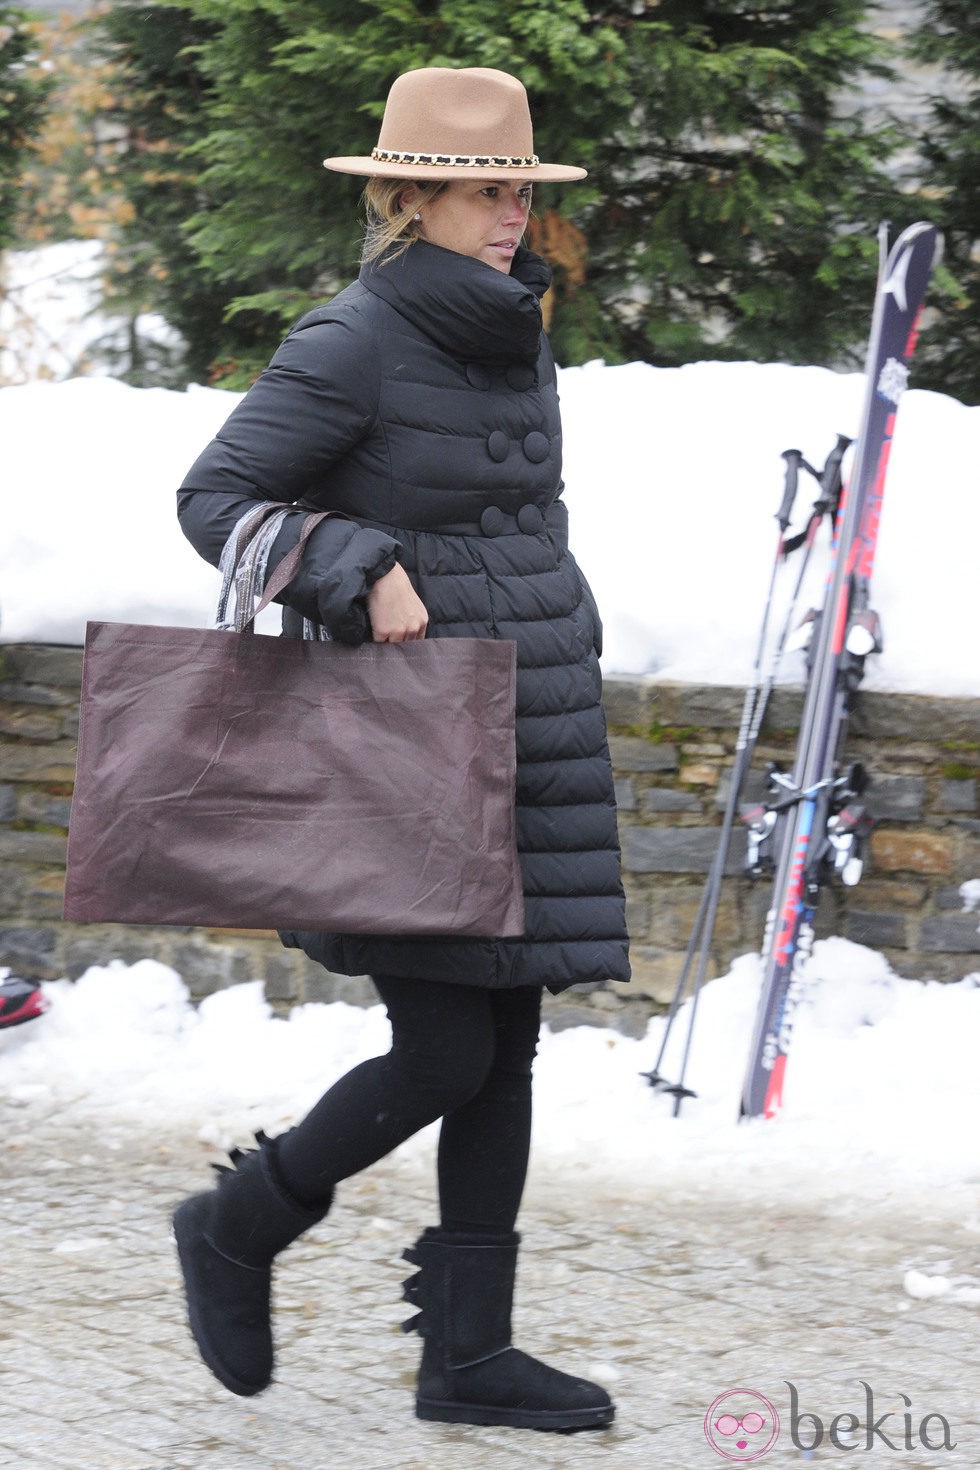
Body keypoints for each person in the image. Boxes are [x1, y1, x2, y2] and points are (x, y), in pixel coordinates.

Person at [172, 65, 630, 1433]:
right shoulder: (353, 338)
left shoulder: (510, 328)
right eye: (490, 192)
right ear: (409, 193)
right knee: (443, 1051)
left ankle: (470, 1354)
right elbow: (218, 495)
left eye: (522, 194)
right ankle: (242, 1220)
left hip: (525, 720)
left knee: (511, 1041)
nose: (513, 218)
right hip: (414, 739)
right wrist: (355, 563)